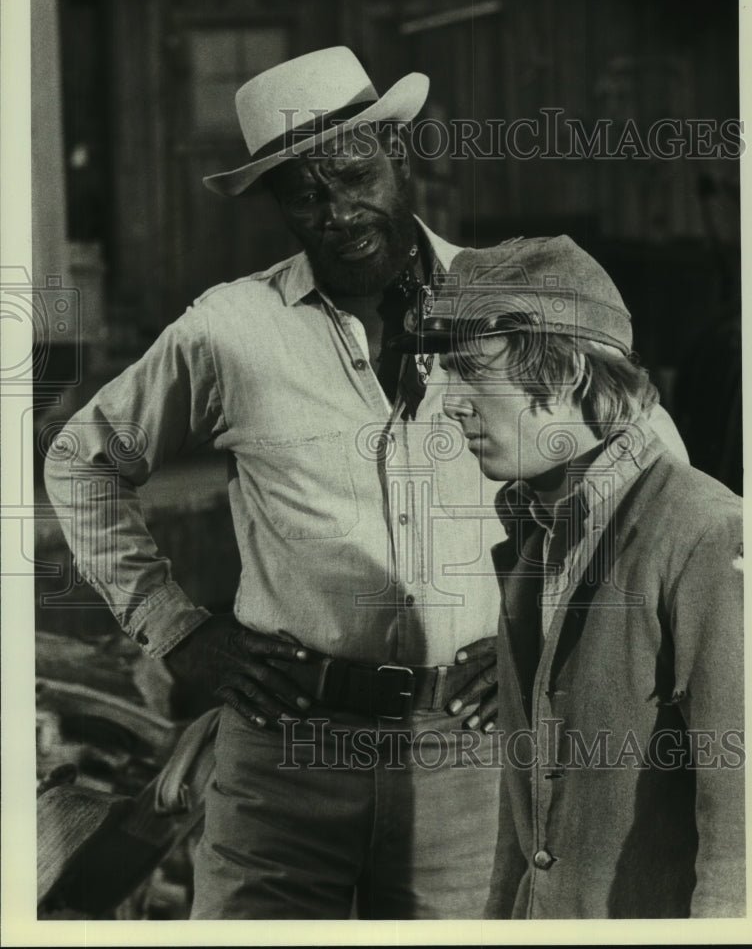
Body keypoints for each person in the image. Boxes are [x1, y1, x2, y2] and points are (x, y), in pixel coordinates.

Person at [43, 45, 510, 920]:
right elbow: (81, 460)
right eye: (304, 193)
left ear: (398, 155)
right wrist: (177, 632)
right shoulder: (230, 331)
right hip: (282, 757)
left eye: (355, 175)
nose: (337, 212)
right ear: (276, 204)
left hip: (465, 757)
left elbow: (637, 476)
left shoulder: (510, 306)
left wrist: (540, 632)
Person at [395, 234, 745, 918]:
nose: (450, 404)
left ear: (567, 373)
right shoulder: (536, 538)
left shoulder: (707, 533)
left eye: (471, 370)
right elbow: (524, 833)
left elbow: (743, 841)